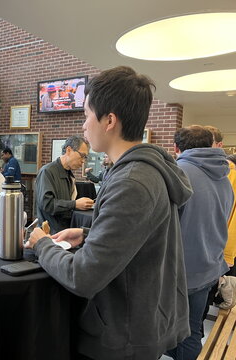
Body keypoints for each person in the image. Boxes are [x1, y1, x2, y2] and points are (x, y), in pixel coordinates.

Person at [26, 66, 193, 360]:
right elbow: (142, 237)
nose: (83, 126)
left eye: (87, 114)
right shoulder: (142, 171)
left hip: (124, 334)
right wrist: (88, 233)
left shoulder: (132, 181)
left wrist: (41, 244)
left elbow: (84, 276)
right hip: (139, 322)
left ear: (109, 120)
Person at [167, 125, 233, 359]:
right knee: (192, 331)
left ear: (176, 148)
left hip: (180, 272)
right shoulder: (225, 176)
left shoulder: (178, 173)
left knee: (167, 333)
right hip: (208, 267)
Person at [35, 135, 94, 234]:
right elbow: (47, 204)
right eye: (82, 155)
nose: (83, 161)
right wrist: (75, 204)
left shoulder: (69, 174)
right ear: (69, 150)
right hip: (51, 233)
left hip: (65, 230)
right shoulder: (47, 172)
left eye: (85, 157)